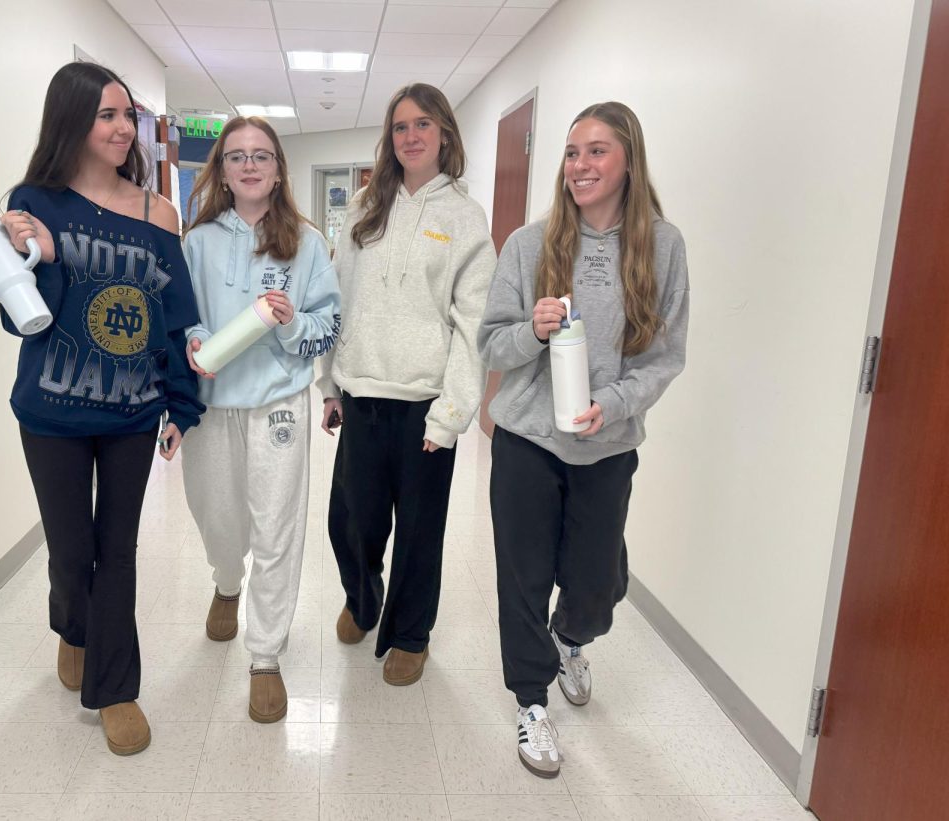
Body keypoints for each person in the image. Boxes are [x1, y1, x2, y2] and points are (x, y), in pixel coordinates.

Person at [0, 62, 204, 756]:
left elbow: (175, 318)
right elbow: (20, 317)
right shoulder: (33, 201)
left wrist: (181, 402)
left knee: (116, 552)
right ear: (72, 121)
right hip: (50, 412)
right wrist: (43, 255)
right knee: (70, 549)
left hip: (130, 414)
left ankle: (116, 688)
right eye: (105, 115)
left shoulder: (157, 211)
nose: (121, 129)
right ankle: (73, 626)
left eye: (126, 116)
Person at [478, 101, 690, 777]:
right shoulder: (529, 244)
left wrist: (614, 402)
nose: (580, 165)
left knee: (597, 582)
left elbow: (664, 356)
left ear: (629, 159)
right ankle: (531, 700)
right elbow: (492, 344)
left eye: (596, 151)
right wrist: (532, 331)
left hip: (607, 443)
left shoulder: (662, 245)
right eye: (572, 152)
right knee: (523, 576)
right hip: (526, 441)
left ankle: (571, 637)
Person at [319, 83, 496, 686]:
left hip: (424, 406)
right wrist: (330, 386)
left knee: (420, 530)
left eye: (423, 124)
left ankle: (412, 634)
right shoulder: (367, 205)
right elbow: (337, 300)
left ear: (445, 133)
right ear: (389, 138)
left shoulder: (465, 218)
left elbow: (473, 326)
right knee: (352, 521)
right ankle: (364, 600)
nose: (411, 136)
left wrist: (450, 415)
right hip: (363, 394)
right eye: (400, 127)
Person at [180, 116, 340, 722]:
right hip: (213, 406)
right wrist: (197, 340)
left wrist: (292, 321)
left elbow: (328, 327)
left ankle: (265, 656)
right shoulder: (196, 243)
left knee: (277, 529)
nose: (250, 166)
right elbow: (182, 316)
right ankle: (226, 580)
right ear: (221, 169)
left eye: (262, 156)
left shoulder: (306, 242)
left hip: (278, 407)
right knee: (219, 520)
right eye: (237, 156)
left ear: (278, 170)